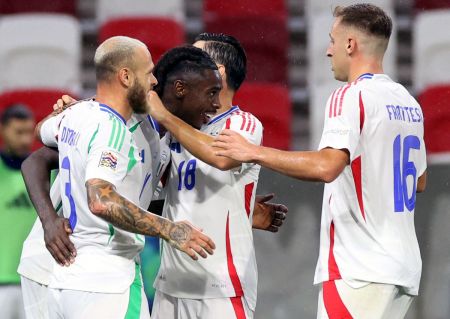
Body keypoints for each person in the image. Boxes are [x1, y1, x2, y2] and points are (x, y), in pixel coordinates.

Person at [19, 44, 286, 318]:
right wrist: (49, 221)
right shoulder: (117, 120)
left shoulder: (159, 139)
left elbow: (134, 202)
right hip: (60, 258)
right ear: (181, 88)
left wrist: (240, 212)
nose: (215, 103)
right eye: (209, 92)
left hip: (76, 270)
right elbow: (36, 162)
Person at [213, 4, 427, 319]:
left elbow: (326, 166)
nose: (328, 51)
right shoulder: (408, 102)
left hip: (359, 266)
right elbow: (419, 182)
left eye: (332, 40)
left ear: (350, 45)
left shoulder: (350, 95)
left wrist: (254, 151)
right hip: (403, 268)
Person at [35, 36, 215, 319]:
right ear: (126, 76)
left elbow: (40, 130)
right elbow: (101, 200)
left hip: (65, 282)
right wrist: (170, 229)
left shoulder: (77, 114)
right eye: (148, 73)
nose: (154, 81)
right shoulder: (113, 130)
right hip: (108, 283)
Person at [147, 37, 264, 319]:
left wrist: (164, 116)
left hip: (221, 286)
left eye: (195, 58)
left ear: (219, 73)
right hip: (170, 284)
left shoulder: (242, 123)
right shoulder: (176, 128)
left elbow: (222, 158)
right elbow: (150, 195)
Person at [0, 104, 36, 319]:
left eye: (28, 132)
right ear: (3, 130)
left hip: (34, 279)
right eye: (18, 132)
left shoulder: (44, 171)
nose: (25, 140)